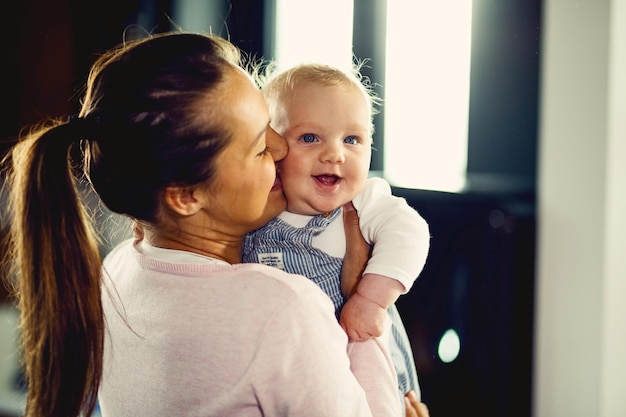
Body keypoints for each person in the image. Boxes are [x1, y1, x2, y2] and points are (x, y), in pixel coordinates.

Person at [2, 32, 429, 417]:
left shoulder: (115, 270)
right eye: (261, 145)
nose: (283, 149)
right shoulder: (282, 309)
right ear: (185, 197)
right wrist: (359, 301)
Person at [243, 62, 431, 409]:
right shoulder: (255, 211)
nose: (334, 154)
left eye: (352, 139)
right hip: (302, 379)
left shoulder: (364, 201)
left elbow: (410, 232)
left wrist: (371, 300)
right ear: (272, 147)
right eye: (310, 138)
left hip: (372, 364)